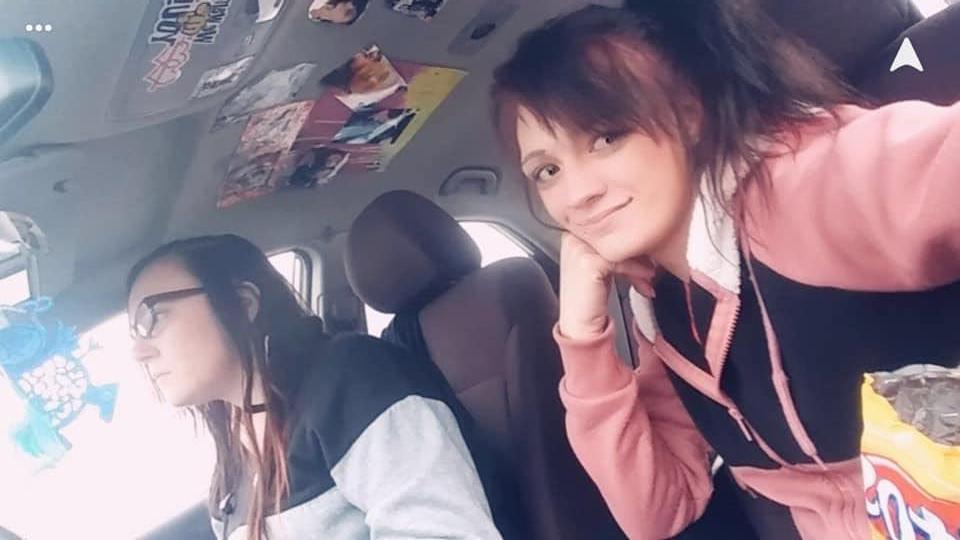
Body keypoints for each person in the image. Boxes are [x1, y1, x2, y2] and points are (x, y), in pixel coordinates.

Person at [491, 3, 960, 539]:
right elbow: (658, 512)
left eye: (606, 137)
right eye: (547, 171)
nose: (577, 194)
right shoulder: (663, 306)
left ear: (690, 113)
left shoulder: (799, 188)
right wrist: (581, 334)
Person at [126, 235, 512, 540]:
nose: (139, 351)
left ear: (243, 303)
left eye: (152, 318)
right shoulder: (234, 456)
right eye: (134, 332)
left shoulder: (353, 378)